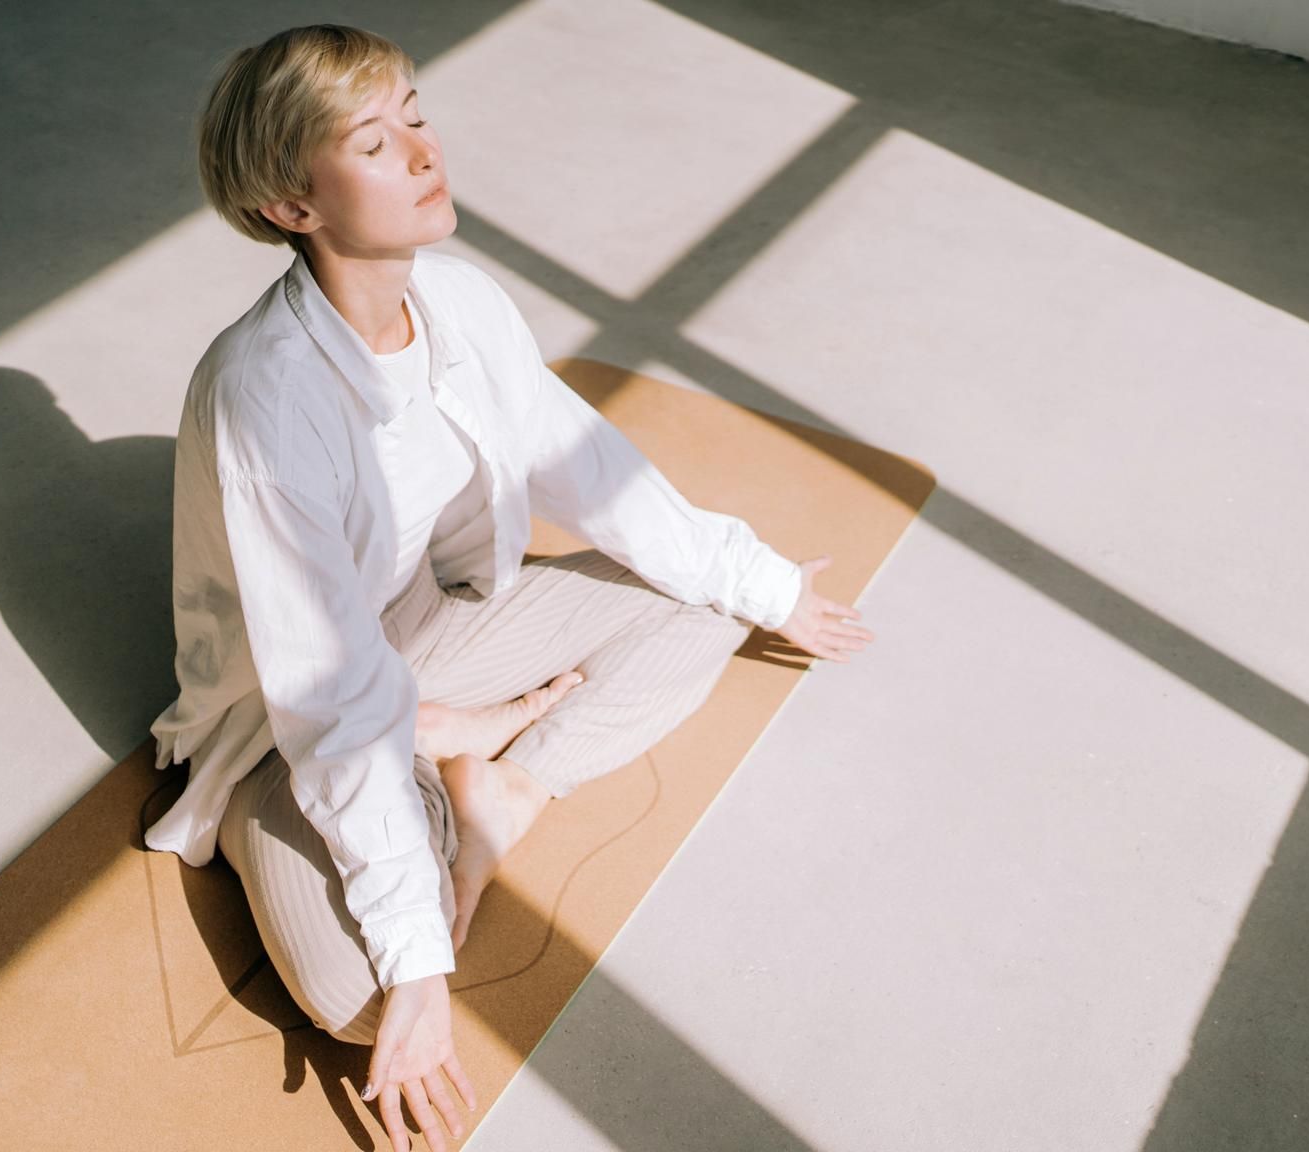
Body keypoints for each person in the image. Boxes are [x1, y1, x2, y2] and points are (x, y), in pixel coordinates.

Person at [140, 24, 873, 1152]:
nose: (423, 151)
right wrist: (419, 964)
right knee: (370, 1000)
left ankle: (494, 797)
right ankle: (442, 748)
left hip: (433, 629)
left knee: (701, 615)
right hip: (283, 729)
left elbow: (593, 470)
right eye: (374, 142)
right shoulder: (265, 399)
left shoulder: (462, 302)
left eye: (417, 116)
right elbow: (328, 701)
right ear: (293, 204)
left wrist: (764, 586)